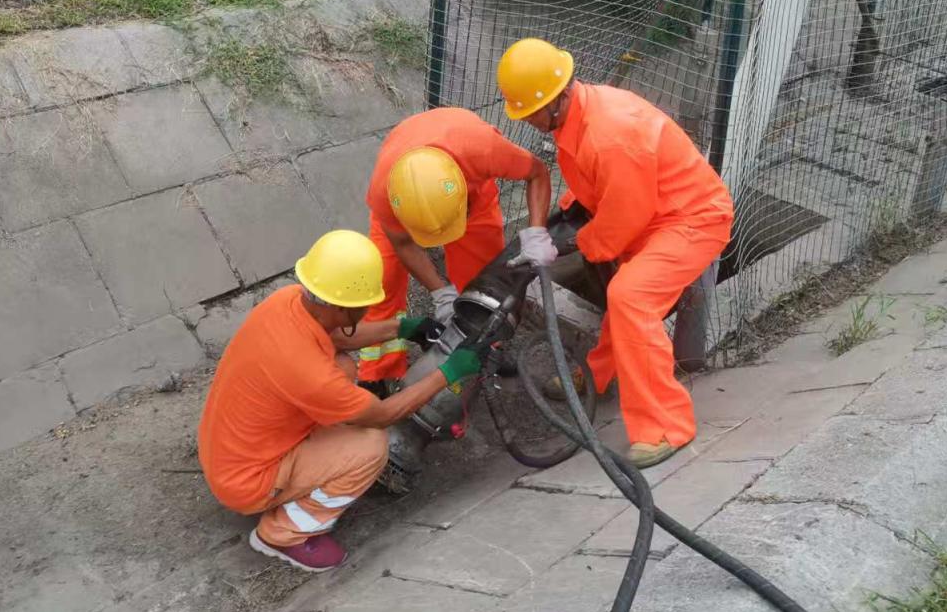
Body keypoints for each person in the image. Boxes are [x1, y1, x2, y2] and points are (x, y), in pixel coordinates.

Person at [497, 38, 734, 468]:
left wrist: (578, 244)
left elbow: (626, 213)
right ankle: (596, 375)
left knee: (630, 297)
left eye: (530, 110)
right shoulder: (577, 116)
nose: (527, 120)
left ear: (559, 96)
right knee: (626, 302)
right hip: (657, 214)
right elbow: (603, 181)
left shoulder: (611, 133)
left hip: (691, 220)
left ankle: (666, 425)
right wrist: (571, 208)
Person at [197, 229, 485, 572]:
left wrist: (404, 328)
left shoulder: (287, 301)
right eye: (364, 305)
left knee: (343, 366)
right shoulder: (313, 376)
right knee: (371, 447)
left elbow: (332, 334)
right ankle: (283, 533)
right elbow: (384, 414)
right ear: (343, 306)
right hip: (248, 480)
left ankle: (301, 470)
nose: (368, 310)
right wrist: (448, 372)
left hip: (227, 450)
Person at [358, 107, 556, 385]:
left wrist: (536, 232)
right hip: (407, 192)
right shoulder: (386, 193)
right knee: (383, 282)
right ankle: (377, 375)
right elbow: (402, 244)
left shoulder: (483, 149)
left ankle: (484, 352)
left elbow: (537, 172)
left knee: (487, 281)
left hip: (475, 202)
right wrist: (440, 292)